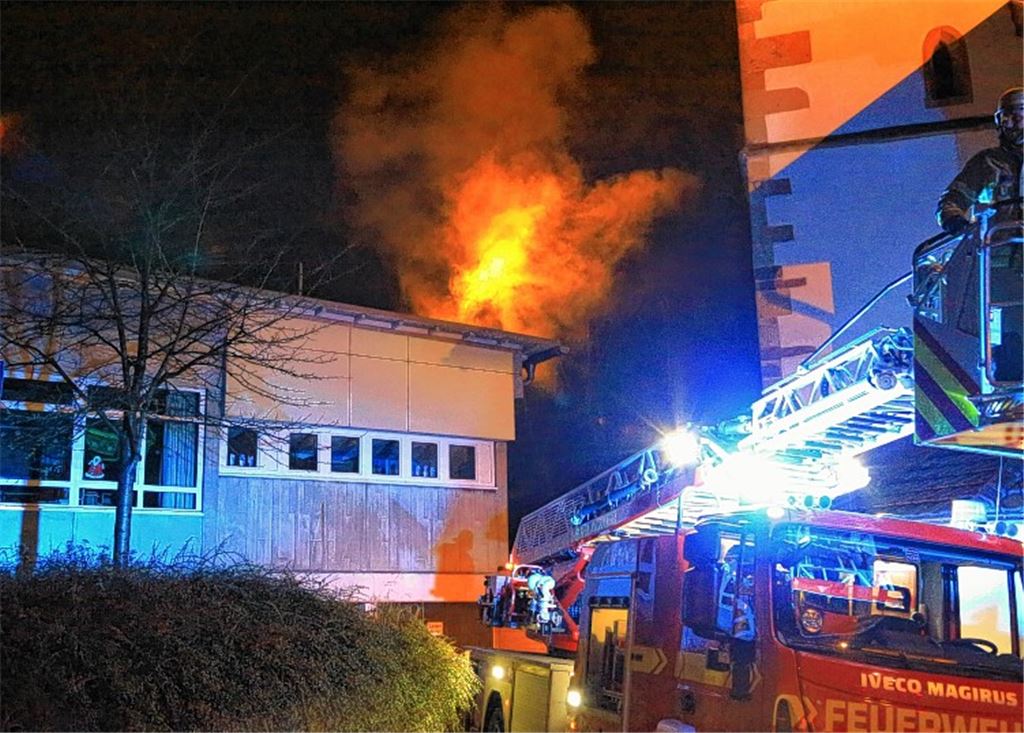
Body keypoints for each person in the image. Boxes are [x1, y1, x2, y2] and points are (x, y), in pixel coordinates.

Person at [936, 87, 1023, 235]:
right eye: (1007, 118)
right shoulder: (987, 162)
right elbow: (952, 200)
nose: (1013, 123)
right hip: (998, 250)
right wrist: (956, 223)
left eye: (1020, 114)